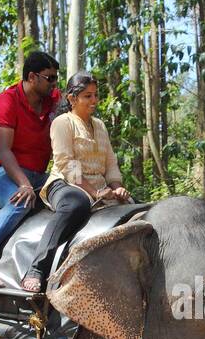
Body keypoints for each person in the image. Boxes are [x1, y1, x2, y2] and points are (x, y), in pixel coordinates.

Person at [19, 72, 130, 293]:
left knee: (135, 207)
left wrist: (117, 186)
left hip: (100, 187)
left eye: (96, 95)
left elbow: (110, 161)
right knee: (75, 205)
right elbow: (67, 163)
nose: (95, 101)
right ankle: (36, 268)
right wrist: (95, 192)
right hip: (66, 184)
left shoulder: (99, 125)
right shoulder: (62, 123)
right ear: (72, 99)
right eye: (88, 96)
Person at [0, 52, 64, 288]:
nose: (54, 84)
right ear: (32, 77)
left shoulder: (53, 99)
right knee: (21, 201)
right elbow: (3, 150)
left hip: (38, 174)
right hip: (1, 172)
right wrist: (23, 184)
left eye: (56, 79)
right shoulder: (6, 102)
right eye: (49, 78)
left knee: (69, 197)